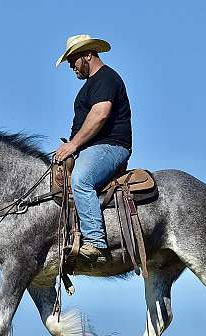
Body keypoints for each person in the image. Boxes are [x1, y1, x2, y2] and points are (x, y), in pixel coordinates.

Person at [54, 34, 132, 263]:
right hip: (90, 149)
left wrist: (73, 145)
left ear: (88, 55)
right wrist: (68, 148)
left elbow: (100, 115)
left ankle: (96, 242)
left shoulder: (107, 79)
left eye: (73, 60)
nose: (71, 66)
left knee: (81, 180)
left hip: (111, 147)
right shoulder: (88, 87)